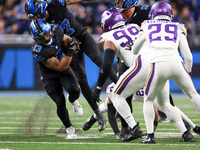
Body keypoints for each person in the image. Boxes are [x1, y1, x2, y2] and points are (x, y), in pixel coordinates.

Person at [25, 0, 118, 131]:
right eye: (32, 16)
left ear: (42, 8)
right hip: (69, 46)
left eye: (35, 15)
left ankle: (120, 85)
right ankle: (98, 115)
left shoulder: (56, 3)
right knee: (82, 79)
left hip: (81, 35)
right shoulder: (40, 26)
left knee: (99, 60)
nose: (35, 18)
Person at [131, 1, 200, 144]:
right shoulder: (179, 27)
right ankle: (187, 132)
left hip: (158, 65)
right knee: (193, 94)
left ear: (153, 14)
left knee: (149, 99)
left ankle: (150, 136)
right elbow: (188, 56)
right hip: (176, 64)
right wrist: (187, 72)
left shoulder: (147, 25)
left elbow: (135, 50)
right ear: (170, 14)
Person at [29, 18, 80, 138]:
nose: (46, 37)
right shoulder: (38, 50)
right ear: (36, 38)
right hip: (49, 74)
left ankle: (72, 100)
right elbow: (61, 67)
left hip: (62, 63)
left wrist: (71, 42)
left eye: (47, 34)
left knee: (75, 90)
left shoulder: (55, 29)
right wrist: (71, 50)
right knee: (59, 102)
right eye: (42, 37)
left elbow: (66, 38)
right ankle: (69, 128)